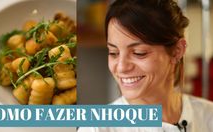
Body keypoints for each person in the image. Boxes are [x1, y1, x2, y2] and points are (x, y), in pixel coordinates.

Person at [78, 0, 213, 131]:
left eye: (139, 53)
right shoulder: (96, 128)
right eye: (114, 53)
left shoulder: (208, 116)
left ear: (177, 51)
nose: (121, 67)